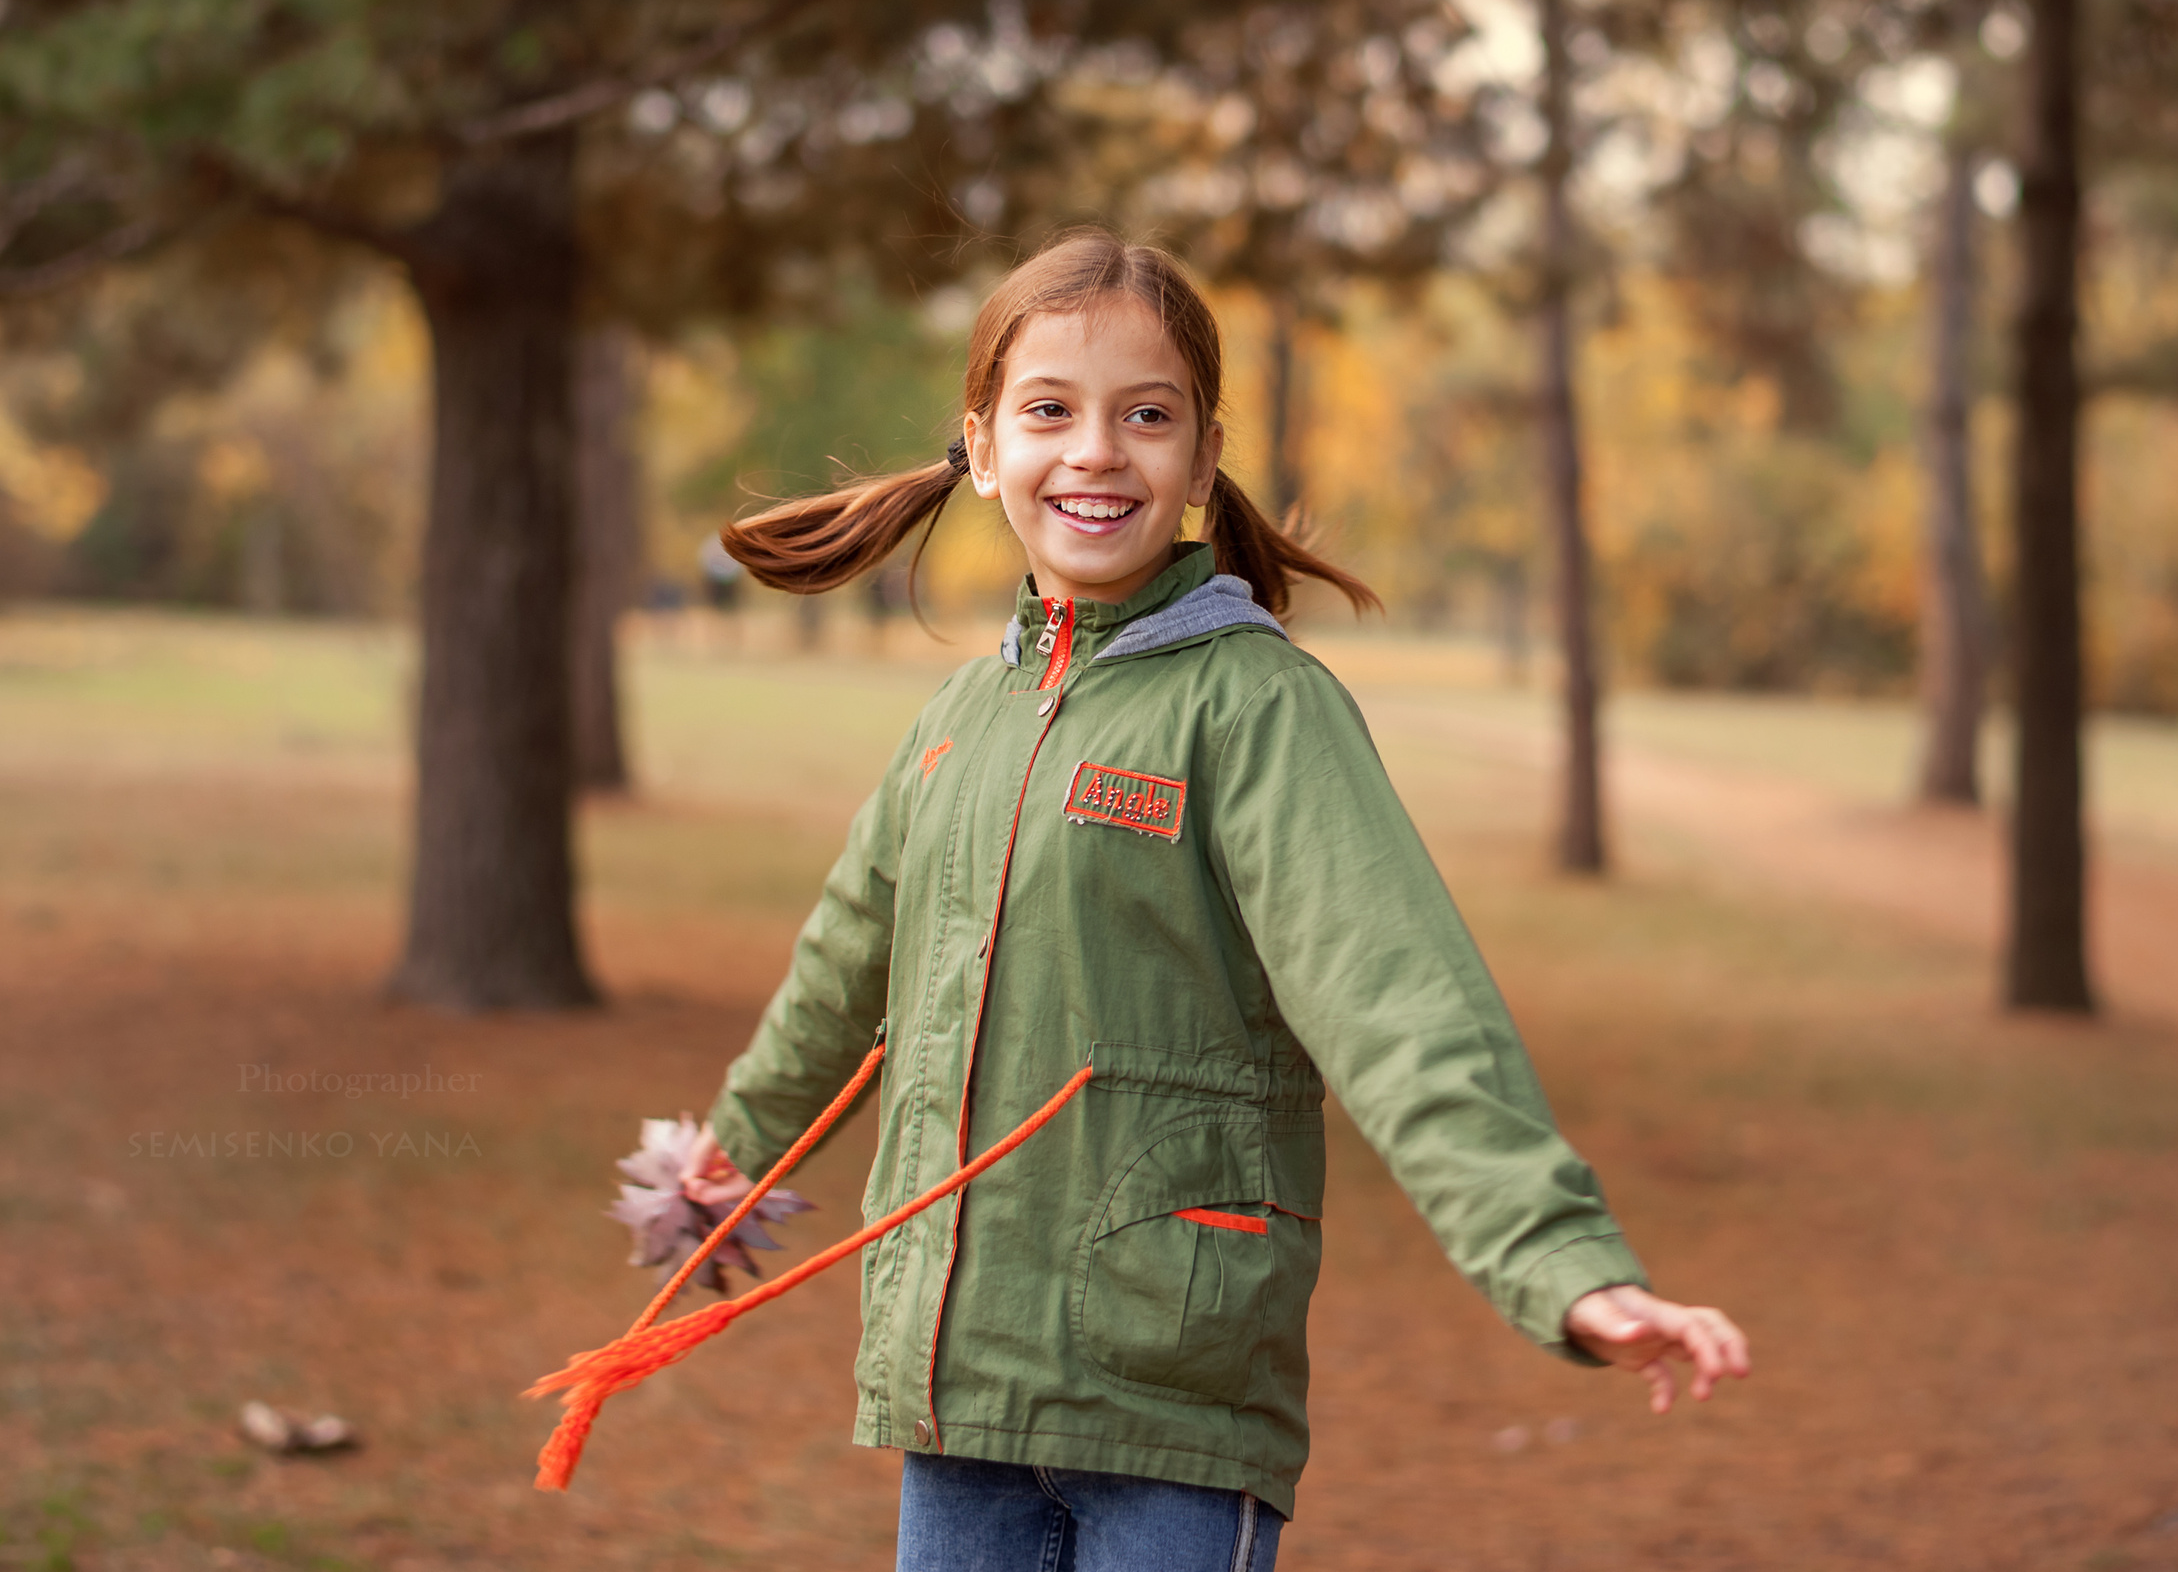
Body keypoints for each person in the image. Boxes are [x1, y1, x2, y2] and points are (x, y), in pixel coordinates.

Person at [681, 229, 1748, 1571]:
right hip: (960, 1396)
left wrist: (1564, 1266)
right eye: (1050, 412)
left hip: (1172, 1393)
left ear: (1201, 451)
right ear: (985, 442)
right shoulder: (961, 718)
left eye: (1147, 414)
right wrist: (729, 1151)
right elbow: (846, 963)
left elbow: (1400, 1002)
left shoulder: (1258, 708)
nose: (1096, 453)